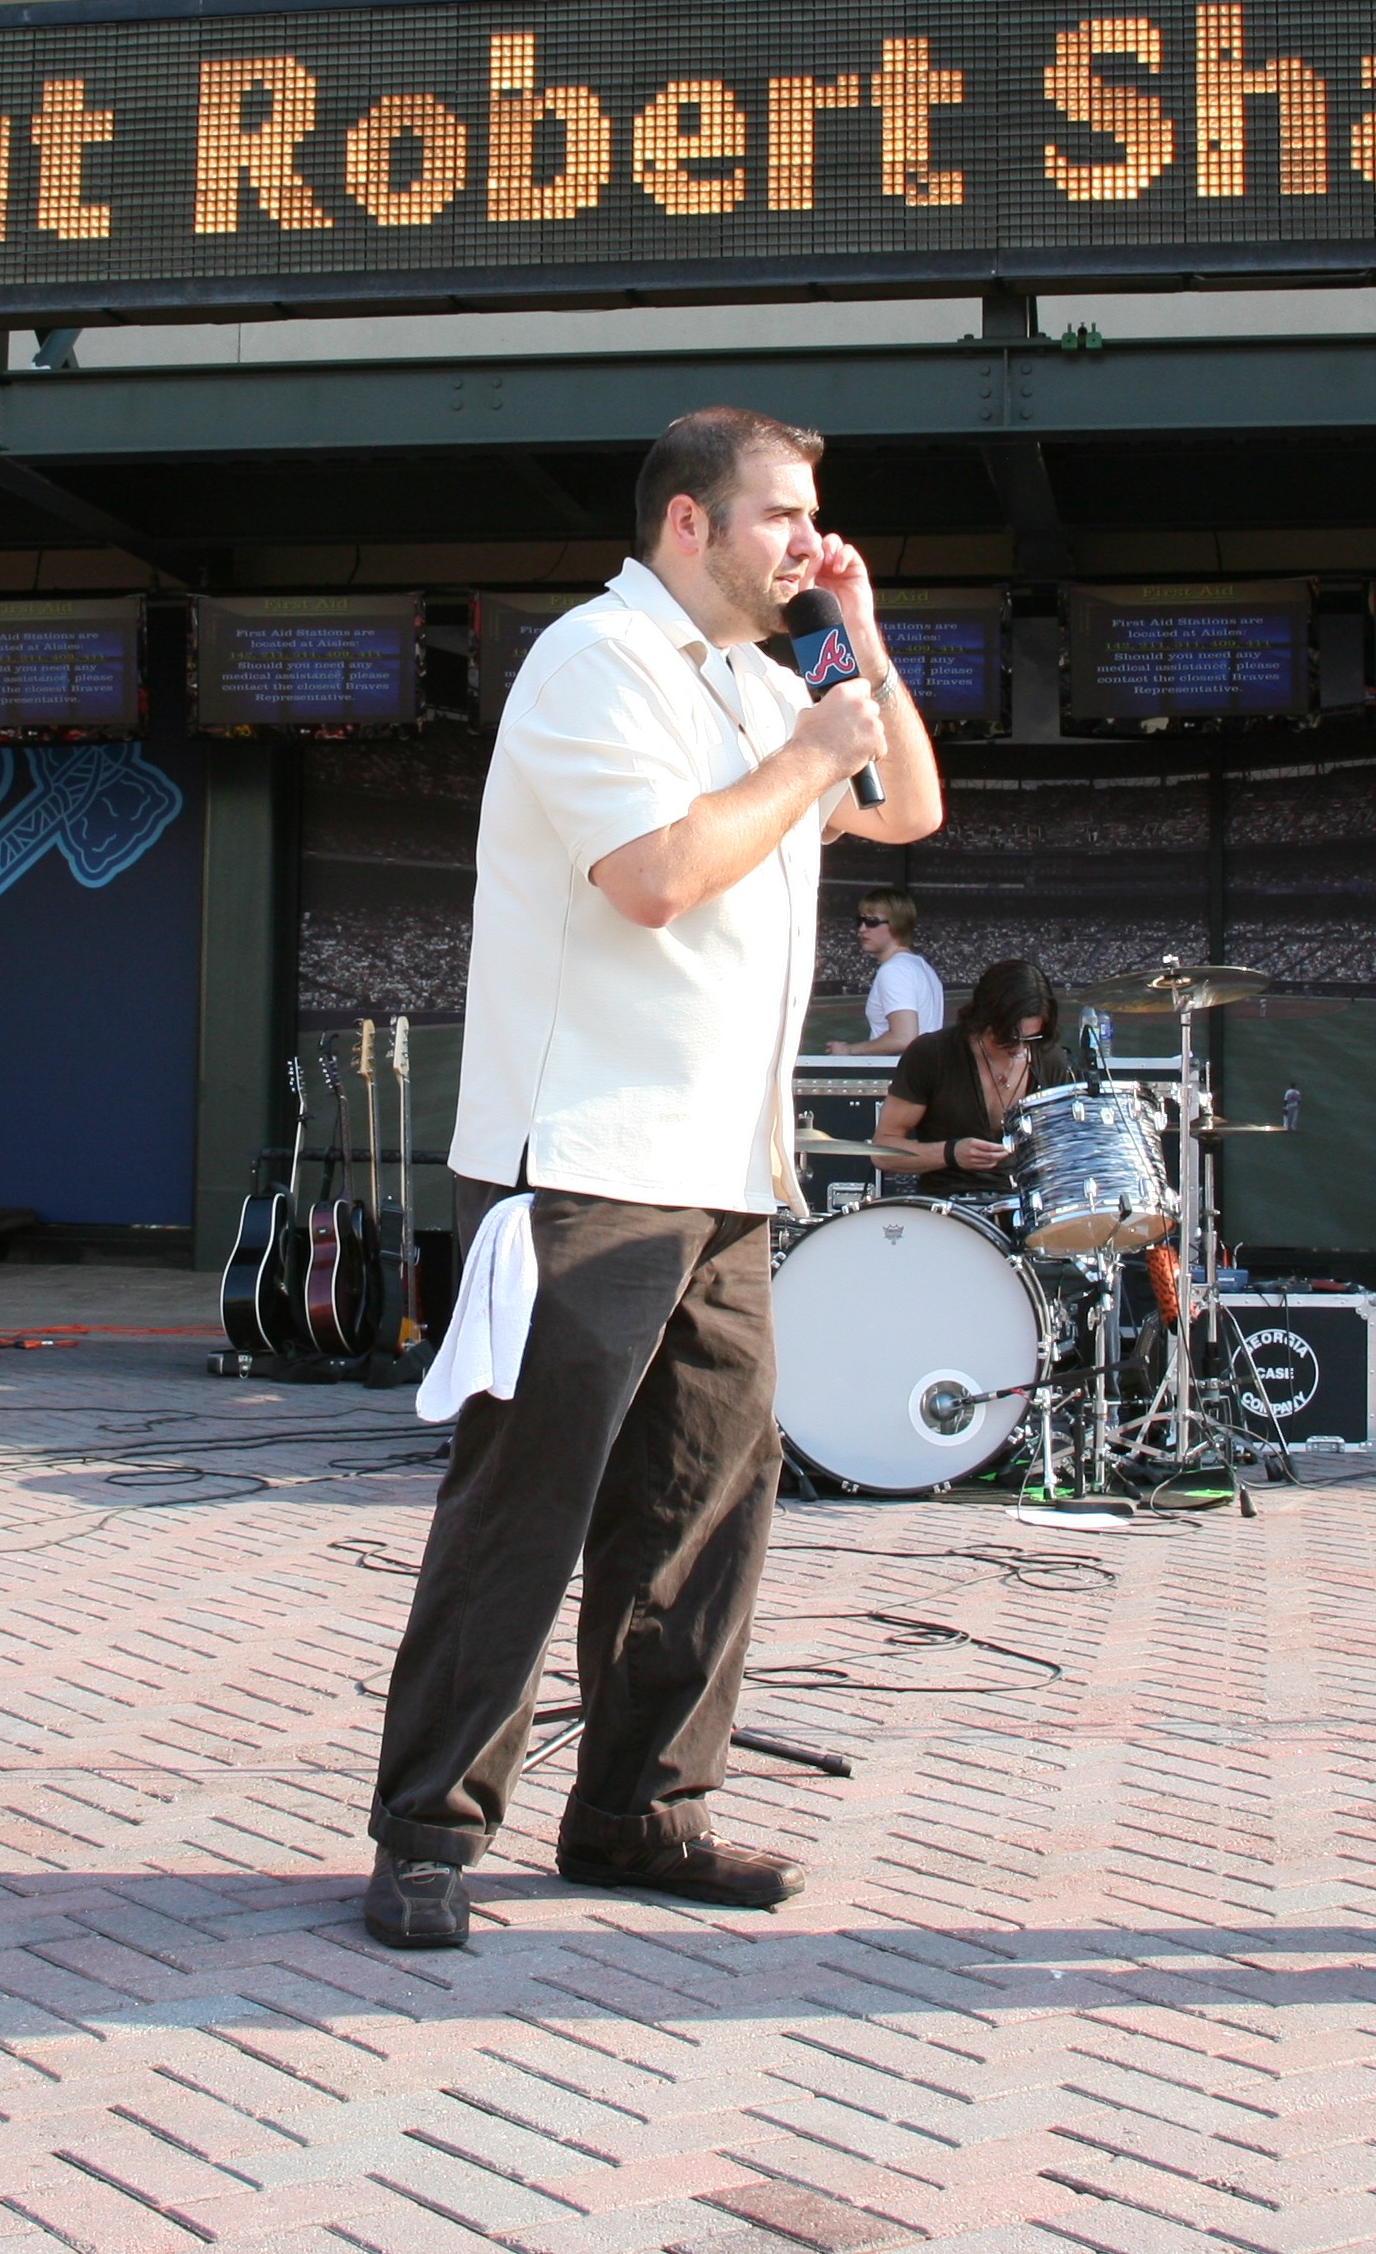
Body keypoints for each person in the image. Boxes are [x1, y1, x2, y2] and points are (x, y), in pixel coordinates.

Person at [362, 406, 942, 1952]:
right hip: (589, 1166)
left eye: (820, 518)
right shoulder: (592, 664)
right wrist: (813, 748)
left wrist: (858, 642)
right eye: (781, 518)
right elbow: (655, 878)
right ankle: (427, 1828)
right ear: (685, 524)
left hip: (725, 1167)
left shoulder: (771, 677)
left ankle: (641, 1810)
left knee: (703, 1506)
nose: (806, 545)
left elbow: (908, 806)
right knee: (526, 1508)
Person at [874, 959, 1070, 1199]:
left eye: (1030, 1039)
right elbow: (883, 1150)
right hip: (950, 1210)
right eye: (1008, 1037)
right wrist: (950, 1153)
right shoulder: (932, 1053)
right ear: (984, 1019)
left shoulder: (1051, 1060)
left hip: (1027, 1208)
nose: (1018, 1048)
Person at [845, 887, 944, 1059]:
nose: (861, 929)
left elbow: (904, 1038)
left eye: (872, 921)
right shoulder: (921, 967)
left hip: (900, 1077)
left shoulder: (894, 970)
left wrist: (850, 1050)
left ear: (897, 924)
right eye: (860, 921)